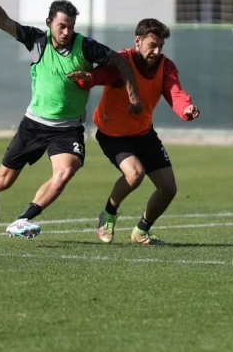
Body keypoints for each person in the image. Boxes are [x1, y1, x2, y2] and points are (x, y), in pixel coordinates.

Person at [0, 0, 143, 239]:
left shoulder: (85, 46)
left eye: (71, 26)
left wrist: (133, 98)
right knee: (2, 181)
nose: (66, 31)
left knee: (65, 172)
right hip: (33, 125)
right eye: (62, 26)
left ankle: (21, 220)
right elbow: (1, 20)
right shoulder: (37, 41)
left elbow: (121, 63)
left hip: (67, 129)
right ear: (49, 22)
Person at [69, 18, 200, 245]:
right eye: (152, 45)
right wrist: (89, 80)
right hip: (113, 134)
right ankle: (108, 214)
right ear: (137, 41)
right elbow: (101, 75)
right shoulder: (122, 61)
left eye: (160, 46)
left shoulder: (165, 66)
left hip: (143, 133)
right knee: (135, 174)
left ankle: (141, 231)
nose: (157, 51)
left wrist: (186, 109)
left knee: (168, 189)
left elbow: (175, 93)